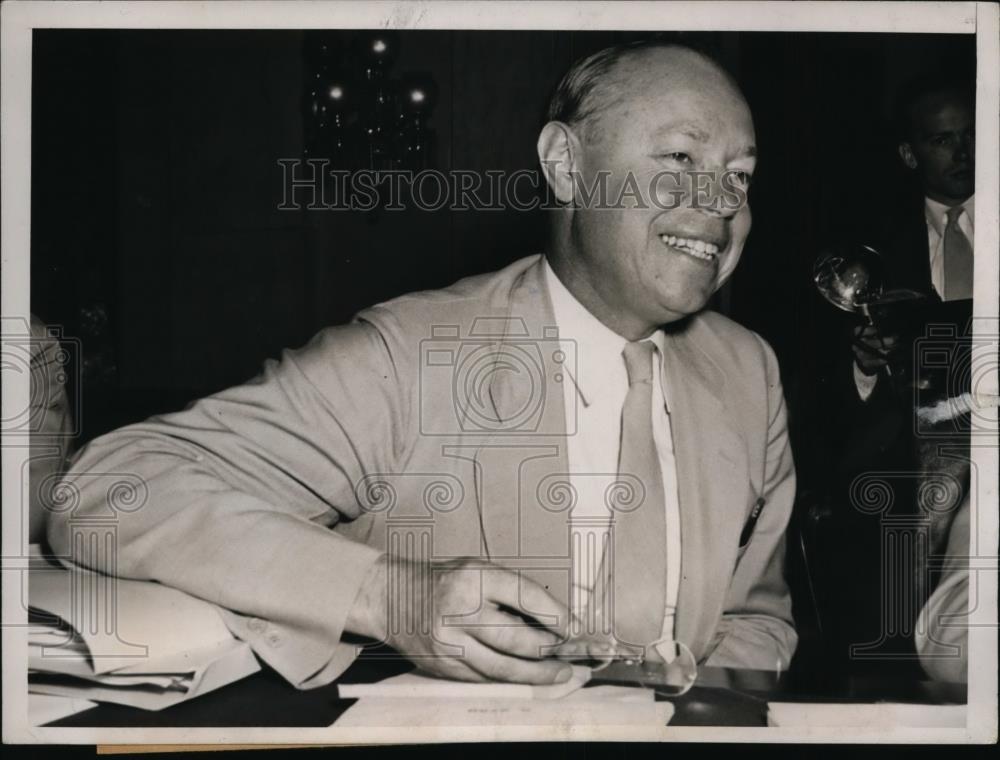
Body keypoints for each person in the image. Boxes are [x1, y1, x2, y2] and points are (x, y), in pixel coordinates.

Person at [48, 41, 797, 688]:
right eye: (680, 157)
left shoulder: (749, 374)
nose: (721, 202)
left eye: (739, 175)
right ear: (565, 165)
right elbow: (107, 489)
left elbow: (753, 615)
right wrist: (388, 597)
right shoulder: (406, 358)